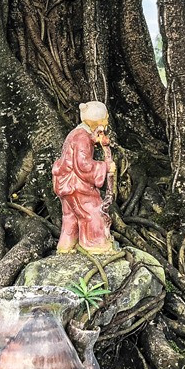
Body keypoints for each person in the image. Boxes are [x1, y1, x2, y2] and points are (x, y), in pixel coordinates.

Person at [52, 101, 117, 254]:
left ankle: (66, 246)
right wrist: (105, 167)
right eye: (106, 119)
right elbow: (83, 165)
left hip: (65, 183)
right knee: (92, 212)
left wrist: (96, 139)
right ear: (99, 121)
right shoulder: (82, 138)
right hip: (76, 185)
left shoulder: (79, 133)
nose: (107, 122)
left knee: (71, 216)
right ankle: (95, 245)